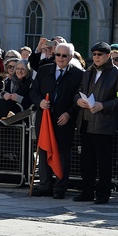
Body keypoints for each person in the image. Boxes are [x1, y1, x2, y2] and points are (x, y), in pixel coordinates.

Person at [72, 42, 118, 204]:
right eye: (94, 54)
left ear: (108, 56)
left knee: (104, 161)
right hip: (86, 121)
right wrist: (78, 101)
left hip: (104, 123)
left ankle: (103, 194)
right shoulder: (88, 71)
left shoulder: (117, 74)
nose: (96, 57)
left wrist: (103, 105)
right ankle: (87, 192)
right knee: (86, 160)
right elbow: (79, 91)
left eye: (100, 54)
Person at [30, 42, 84, 199]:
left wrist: (69, 114)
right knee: (44, 151)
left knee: (63, 155)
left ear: (71, 57)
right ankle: (45, 185)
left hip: (63, 121)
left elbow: (79, 98)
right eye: (58, 55)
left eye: (64, 56)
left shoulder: (79, 74)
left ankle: (60, 187)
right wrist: (39, 101)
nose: (60, 58)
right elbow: (33, 90)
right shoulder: (44, 69)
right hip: (45, 118)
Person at [0, 59, 33, 129]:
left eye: (23, 69)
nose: (20, 71)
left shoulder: (31, 83)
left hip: (22, 121)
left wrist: (18, 98)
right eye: (18, 68)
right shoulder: (9, 81)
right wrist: (4, 95)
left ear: (27, 70)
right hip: (6, 119)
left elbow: (31, 101)